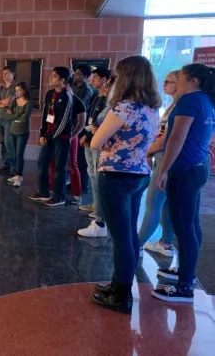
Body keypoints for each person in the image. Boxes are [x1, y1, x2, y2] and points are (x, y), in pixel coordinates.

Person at [90, 55, 161, 314]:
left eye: (118, 76)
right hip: (139, 174)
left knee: (120, 238)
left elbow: (96, 142)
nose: (114, 80)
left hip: (115, 175)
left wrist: (107, 141)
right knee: (129, 234)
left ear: (127, 78)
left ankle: (121, 295)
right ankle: (118, 284)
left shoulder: (123, 109)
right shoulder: (151, 109)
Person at [152, 63, 215, 303]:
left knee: (183, 226)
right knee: (191, 223)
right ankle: (186, 270)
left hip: (184, 169)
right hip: (197, 166)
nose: (176, 82)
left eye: (180, 78)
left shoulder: (188, 101)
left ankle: (184, 287)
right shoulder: (206, 101)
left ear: (194, 81)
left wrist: (163, 170)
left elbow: (176, 138)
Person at [137, 71, 179, 256]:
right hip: (165, 158)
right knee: (166, 204)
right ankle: (166, 243)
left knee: (153, 205)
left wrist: (148, 151)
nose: (164, 84)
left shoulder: (180, 108)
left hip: (164, 159)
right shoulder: (174, 106)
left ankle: (136, 245)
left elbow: (165, 138)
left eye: (168, 81)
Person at [29, 67, 73, 207]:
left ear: (62, 80)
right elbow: (46, 115)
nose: (50, 77)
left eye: (54, 76)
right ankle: (43, 192)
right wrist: (42, 133)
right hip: (49, 135)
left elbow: (63, 121)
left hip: (61, 137)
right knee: (42, 162)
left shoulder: (67, 96)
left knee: (60, 167)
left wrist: (51, 136)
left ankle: (59, 196)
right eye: (51, 75)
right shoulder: (50, 94)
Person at [77, 67, 112, 238]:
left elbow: (102, 122)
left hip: (97, 138)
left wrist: (88, 134)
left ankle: (100, 210)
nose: (93, 80)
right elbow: (91, 118)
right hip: (89, 135)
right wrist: (85, 133)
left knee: (97, 174)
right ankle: (95, 203)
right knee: (91, 171)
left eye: (96, 78)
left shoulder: (109, 99)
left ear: (105, 79)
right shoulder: (94, 95)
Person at [47, 79, 86, 203]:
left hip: (70, 136)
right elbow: (51, 116)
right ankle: (54, 189)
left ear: (68, 85)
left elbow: (81, 123)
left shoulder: (77, 102)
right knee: (53, 162)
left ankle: (76, 194)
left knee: (71, 164)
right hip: (55, 134)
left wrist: (72, 136)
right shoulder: (56, 99)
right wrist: (47, 131)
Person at [4, 82, 34, 187]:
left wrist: (14, 115)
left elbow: (25, 118)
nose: (17, 92)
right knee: (13, 152)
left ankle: (19, 175)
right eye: (16, 90)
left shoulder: (29, 103)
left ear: (24, 91)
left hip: (22, 132)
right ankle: (16, 174)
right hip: (12, 130)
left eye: (19, 90)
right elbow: (8, 114)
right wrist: (17, 116)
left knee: (19, 153)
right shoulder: (15, 101)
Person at [74, 64, 95, 193]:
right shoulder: (75, 88)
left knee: (81, 158)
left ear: (86, 77)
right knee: (74, 157)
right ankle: (74, 182)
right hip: (74, 123)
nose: (75, 76)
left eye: (79, 74)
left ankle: (83, 185)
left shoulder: (87, 90)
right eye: (75, 73)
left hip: (81, 125)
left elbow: (77, 104)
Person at [0, 67, 17, 174]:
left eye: (6, 73)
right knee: (2, 141)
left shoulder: (15, 87)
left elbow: (9, 101)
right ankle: (6, 164)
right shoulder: (1, 87)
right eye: (3, 73)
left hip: (8, 119)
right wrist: (2, 103)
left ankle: (13, 165)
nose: (4, 75)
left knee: (8, 142)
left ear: (12, 74)